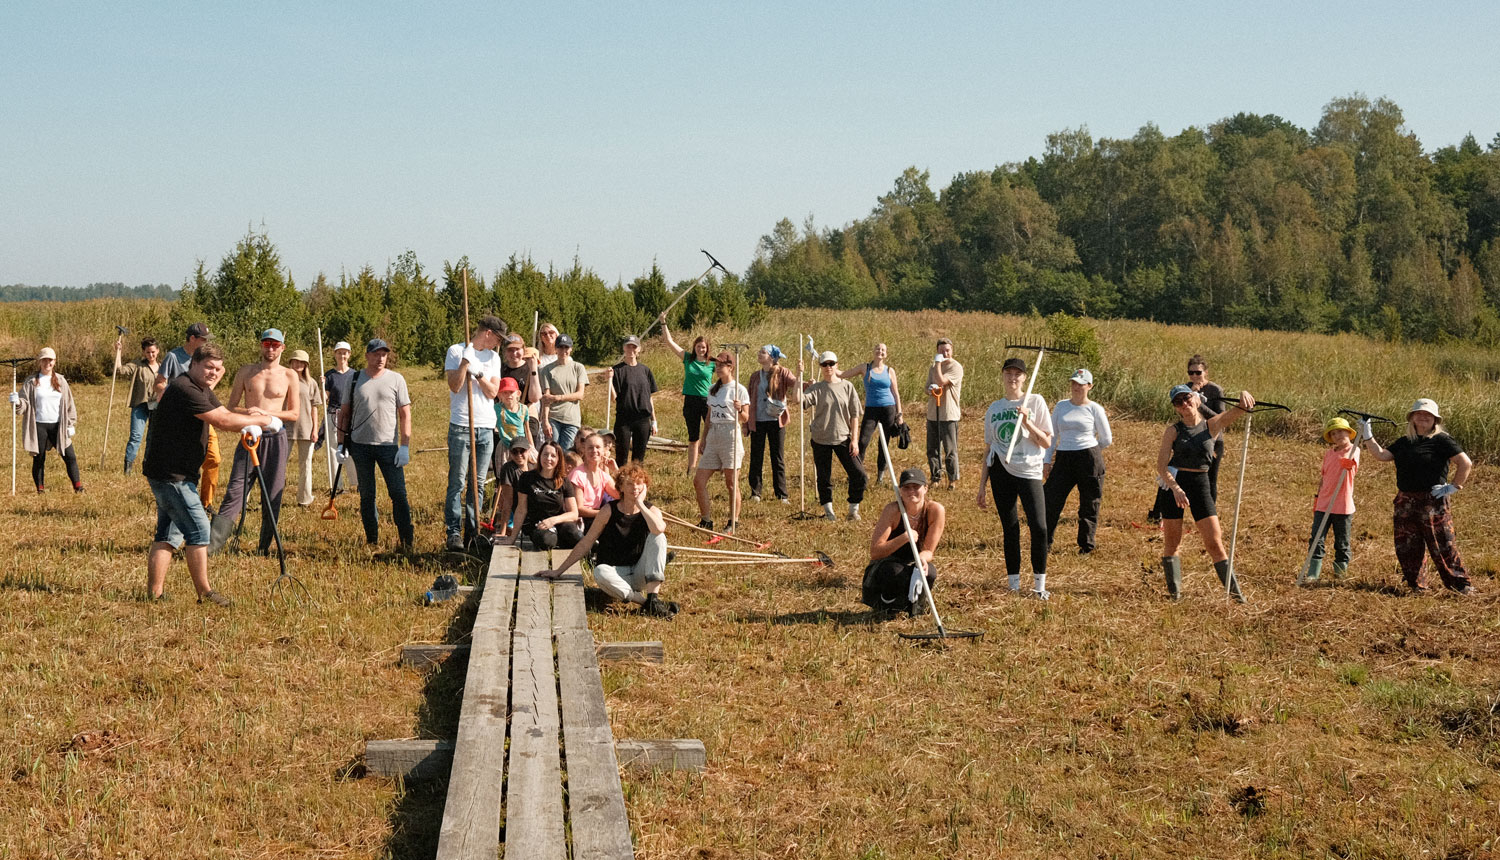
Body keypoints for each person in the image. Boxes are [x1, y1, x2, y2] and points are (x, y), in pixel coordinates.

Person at [141, 343, 278, 605]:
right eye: (208, 367)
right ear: (193, 364)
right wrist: (265, 422)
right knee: (200, 531)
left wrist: (253, 415)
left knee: (168, 535)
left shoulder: (200, 388)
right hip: (172, 476)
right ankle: (205, 593)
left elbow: (224, 412)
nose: (214, 372)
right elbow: (222, 422)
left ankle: (154, 594)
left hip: (175, 473)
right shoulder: (185, 389)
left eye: (218, 368)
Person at [1357, 399, 1475, 595]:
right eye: (1419, 413)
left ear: (1435, 420)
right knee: (1408, 545)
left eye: (1428, 415)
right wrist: (1367, 434)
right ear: (1411, 417)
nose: (1423, 417)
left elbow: (1465, 463)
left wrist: (1454, 486)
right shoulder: (1404, 442)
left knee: (1442, 543)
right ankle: (1417, 586)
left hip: (1433, 501)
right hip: (1405, 501)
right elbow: (1382, 456)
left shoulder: (1441, 440)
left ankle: (1461, 585)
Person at [1154, 384, 1256, 602]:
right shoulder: (1173, 431)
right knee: (1173, 542)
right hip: (1175, 485)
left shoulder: (1212, 425)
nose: (1184, 404)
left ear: (1196, 399)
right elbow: (1161, 467)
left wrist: (1243, 394)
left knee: (1214, 543)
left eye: (1187, 398)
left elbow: (1238, 411)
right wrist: (1176, 488)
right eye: (1178, 402)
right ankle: (1176, 596)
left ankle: (1237, 597)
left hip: (1201, 484)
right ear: (1176, 408)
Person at [537, 462, 677, 617]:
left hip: (639, 572)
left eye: (639, 484)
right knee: (599, 571)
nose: (635, 488)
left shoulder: (651, 510)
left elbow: (659, 529)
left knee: (659, 537)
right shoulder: (608, 510)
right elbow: (587, 541)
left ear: (645, 487)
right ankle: (646, 603)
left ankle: (653, 597)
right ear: (621, 488)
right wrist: (558, 571)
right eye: (629, 484)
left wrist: (640, 505)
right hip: (614, 573)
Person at [207, 329, 299, 555]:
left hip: (275, 439)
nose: (270, 348)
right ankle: (211, 546)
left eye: (275, 345)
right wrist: (251, 415)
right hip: (250, 437)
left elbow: (294, 413)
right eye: (267, 343)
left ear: (282, 348)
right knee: (235, 490)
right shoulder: (246, 372)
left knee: (272, 494)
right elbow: (231, 406)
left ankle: (264, 547)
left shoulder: (289, 375)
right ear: (261, 345)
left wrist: (268, 416)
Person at [977, 357, 1053, 598]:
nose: (1013, 378)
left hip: (1029, 470)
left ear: (1024, 378)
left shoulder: (1035, 401)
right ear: (1003, 376)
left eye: (1017, 374)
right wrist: (982, 486)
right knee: (1010, 529)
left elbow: (1047, 441)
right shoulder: (994, 409)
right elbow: (988, 450)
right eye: (1008, 373)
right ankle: (1014, 584)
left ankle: (1039, 585)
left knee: (1039, 527)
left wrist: (1028, 423)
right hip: (1001, 471)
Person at [337, 339, 413, 551]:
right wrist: (340, 444)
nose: (380, 359)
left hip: (389, 446)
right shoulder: (353, 379)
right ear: (367, 356)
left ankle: (407, 541)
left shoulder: (397, 379)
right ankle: (372, 541)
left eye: (384, 355)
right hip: (360, 447)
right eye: (376, 354)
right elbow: (344, 413)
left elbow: (405, 414)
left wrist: (404, 445)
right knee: (367, 496)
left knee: (398, 494)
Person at [444, 315, 506, 550]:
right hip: (461, 425)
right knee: (457, 482)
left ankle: (473, 532)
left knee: (477, 484)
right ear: (488, 333)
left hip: (485, 427)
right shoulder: (456, 350)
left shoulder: (493, 357)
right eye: (498, 338)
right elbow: (455, 386)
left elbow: (493, 392)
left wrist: (478, 373)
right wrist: (465, 363)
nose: (499, 344)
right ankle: (453, 533)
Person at [1043, 368, 1112, 555]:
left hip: (1088, 457)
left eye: (1081, 384)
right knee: (1050, 500)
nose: (1076, 387)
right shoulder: (1061, 406)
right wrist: (1046, 461)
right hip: (1064, 456)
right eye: (1074, 383)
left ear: (1090, 386)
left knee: (1089, 503)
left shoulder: (1095, 408)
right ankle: (1044, 543)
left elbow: (1106, 438)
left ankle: (1086, 545)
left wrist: (1091, 449)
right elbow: (1052, 435)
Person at [862, 468, 947, 615]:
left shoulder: (935, 510)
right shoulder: (893, 510)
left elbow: (929, 551)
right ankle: (888, 604)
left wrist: (922, 558)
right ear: (900, 490)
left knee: (930, 572)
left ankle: (915, 606)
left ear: (925, 488)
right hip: (886, 564)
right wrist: (904, 538)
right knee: (895, 572)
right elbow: (875, 552)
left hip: (911, 563)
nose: (911, 491)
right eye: (906, 487)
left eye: (916, 487)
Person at [155, 323, 221, 508]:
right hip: (182, 420)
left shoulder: (208, 360)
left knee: (214, 459)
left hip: (205, 413)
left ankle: (206, 504)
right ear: (192, 339)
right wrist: (172, 394)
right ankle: (184, 498)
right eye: (203, 340)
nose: (206, 343)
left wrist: (205, 392)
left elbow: (219, 372)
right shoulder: (173, 357)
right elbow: (159, 383)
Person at [800, 350, 867, 522]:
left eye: (831, 364)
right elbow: (799, 400)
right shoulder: (817, 388)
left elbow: (855, 414)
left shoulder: (847, 386)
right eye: (824, 364)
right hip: (820, 439)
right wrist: (799, 376)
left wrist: (854, 439)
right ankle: (828, 511)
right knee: (824, 477)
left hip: (843, 437)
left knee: (859, 474)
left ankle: (853, 509)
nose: (828, 367)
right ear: (821, 367)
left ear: (837, 365)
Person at [11, 347, 83, 493]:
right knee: (39, 459)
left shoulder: (61, 381)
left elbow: (69, 403)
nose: (47, 363)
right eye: (44, 360)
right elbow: (24, 404)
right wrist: (17, 402)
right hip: (39, 426)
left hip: (58, 426)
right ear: (40, 362)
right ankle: (40, 489)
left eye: (50, 360)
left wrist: (70, 423)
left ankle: (78, 487)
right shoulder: (31, 382)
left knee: (70, 456)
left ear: (54, 362)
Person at [693, 350, 749, 533]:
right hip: (714, 435)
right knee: (699, 480)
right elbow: (709, 416)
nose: (717, 369)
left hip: (730, 434)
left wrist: (740, 409)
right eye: (716, 365)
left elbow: (746, 418)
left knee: (731, 483)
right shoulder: (712, 389)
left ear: (730, 367)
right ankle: (706, 519)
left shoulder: (740, 389)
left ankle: (734, 522)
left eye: (721, 365)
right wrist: (704, 439)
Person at [1303, 417, 1360, 583]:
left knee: (1341, 541)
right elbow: (1324, 477)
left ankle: (1340, 575)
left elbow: (1351, 464)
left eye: (1341, 431)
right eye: (1333, 433)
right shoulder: (1328, 453)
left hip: (1342, 505)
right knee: (1316, 538)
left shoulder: (1354, 450)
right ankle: (1313, 573)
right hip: (1323, 503)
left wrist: (1348, 463)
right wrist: (1317, 497)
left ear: (1349, 433)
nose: (1337, 435)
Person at [838, 342, 904, 482]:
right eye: (878, 349)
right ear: (873, 351)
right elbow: (845, 374)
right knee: (862, 441)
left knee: (883, 443)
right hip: (871, 409)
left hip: (888, 408)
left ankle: (880, 476)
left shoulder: (889, 371)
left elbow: (896, 393)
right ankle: (857, 473)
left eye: (883, 350)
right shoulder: (865, 367)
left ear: (886, 354)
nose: (880, 351)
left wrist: (899, 414)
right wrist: (831, 367)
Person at [502, 440, 583, 550]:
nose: (548, 459)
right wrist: (512, 538)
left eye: (553, 456)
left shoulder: (564, 481)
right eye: (545, 454)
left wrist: (553, 520)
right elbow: (521, 509)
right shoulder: (527, 478)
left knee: (575, 535)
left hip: (558, 522)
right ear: (540, 456)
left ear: (559, 459)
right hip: (537, 524)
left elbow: (574, 513)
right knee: (546, 541)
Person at [659, 316, 715, 473]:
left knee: (710, 436)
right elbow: (670, 342)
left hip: (707, 402)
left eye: (703, 347)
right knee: (693, 437)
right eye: (698, 346)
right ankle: (691, 468)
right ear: (694, 347)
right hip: (690, 401)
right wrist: (663, 322)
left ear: (707, 348)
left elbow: (728, 372)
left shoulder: (712, 363)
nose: (700, 349)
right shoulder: (688, 359)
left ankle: (710, 466)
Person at [745, 344, 799, 503]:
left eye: (763, 352)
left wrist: (801, 375)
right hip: (758, 421)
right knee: (756, 457)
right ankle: (755, 492)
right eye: (759, 351)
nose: (759, 354)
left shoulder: (782, 372)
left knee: (777, 457)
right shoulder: (755, 376)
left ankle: (782, 494)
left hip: (776, 421)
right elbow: (748, 400)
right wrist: (746, 423)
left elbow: (796, 384)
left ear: (772, 357)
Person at [605, 336, 658, 466]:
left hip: (643, 419)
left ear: (639, 349)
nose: (631, 349)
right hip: (624, 419)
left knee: (638, 459)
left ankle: (636, 484)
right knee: (621, 457)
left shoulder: (645, 370)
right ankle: (620, 484)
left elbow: (649, 397)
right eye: (628, 346)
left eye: (634, 346)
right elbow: (613, 398)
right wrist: (609, 380)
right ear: (624, 348)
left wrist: (654, 420)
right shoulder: (617, 370)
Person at [114, 335, 160, 475]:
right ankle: (128, 468)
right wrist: (118, 352)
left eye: (153, 351)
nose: (150, 355)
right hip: (140, 405)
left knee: (152, 438)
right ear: (143, 352)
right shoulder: (138, 365)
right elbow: (119, 370)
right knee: (136, 436)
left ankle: (147, 466)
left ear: (157, 351)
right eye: (147, 352)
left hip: (157, 406)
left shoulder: (163, 367)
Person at [284, 350, 324, 507]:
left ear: (306, 365)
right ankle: (273, 497)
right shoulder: (283, 380)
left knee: (306, 465)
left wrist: (315, 430)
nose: (298, 364)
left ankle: (305, 499)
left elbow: (315, 408)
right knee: (280, 465)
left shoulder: (311, 383)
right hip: (285, 427)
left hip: (306, 428)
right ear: (290, 362)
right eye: (295, 361)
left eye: (301, 362)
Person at [1186, 355, 1228, 500]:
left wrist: (1199, 404)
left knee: (1210, 478)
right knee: (1177, 473)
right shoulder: (1186, 388)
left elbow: (1221, 418)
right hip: (1190, 438)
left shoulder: (1215, 390)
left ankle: (1211, 514)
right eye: (1191, 373)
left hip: (1213, 439)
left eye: (1198, 372)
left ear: (1206, 372)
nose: (1194, 376)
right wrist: (1191, 394)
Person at [926, 338, 964, 489]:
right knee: (932, 449)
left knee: (950, 450)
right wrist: (929, 389)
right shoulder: (933, 367)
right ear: (937, 351)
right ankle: (936, 478)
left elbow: (941, 381)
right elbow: (927, 387)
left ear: (952, 350)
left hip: (949, 414)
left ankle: (952, 480)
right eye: (941, 351)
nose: (945, 353)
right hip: (933, 414)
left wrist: (938, 363)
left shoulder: (956, 367)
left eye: (947, 350)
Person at [540, 333, 589, 451]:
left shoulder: (578, 368)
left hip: (572, 418)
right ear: (556, 349)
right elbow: (546, 398)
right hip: (554, 417)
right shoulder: (547, 369)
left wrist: (558, 398)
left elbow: (580, 394)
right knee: (553, 451)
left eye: (566, 347)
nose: (563, 350)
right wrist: (545, 420)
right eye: (560, 347)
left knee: (567, 452)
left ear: (571, 349)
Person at [323, 341, 357, 491]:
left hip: (350, 416)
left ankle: (356, 483)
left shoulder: (355, 375)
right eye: (339, 352)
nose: (342, 355)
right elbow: (324, 398)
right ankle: (337, 486)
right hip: (333, 414)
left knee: (351, 448)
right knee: (332, 449)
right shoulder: (329, 376)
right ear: (335, 354)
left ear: (349, 354)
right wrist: (321, 385)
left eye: (344, 352)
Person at [569, 432, 618, 531]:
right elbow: (579, 509)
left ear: (604, 450)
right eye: (590, 448)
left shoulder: (603, 475)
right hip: (581, 520)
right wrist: (604, 513)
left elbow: (621, 495)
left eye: (598, 447)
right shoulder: (577, 474)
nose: (594, 451)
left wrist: (616, 471)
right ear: (584, 450)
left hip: (596, 516)